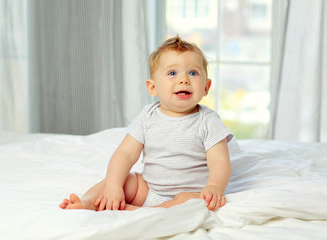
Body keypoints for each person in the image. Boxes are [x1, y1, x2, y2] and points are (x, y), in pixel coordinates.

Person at [59, 35, 233, 212]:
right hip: (149, 189)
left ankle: (138, 211)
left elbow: (220, 161)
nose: (184, 80)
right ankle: (87, 203)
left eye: (193, 73)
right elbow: (125, 154)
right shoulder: (148, 116)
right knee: (122, 179)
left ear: (206, 86)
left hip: (187, 193)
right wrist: (114, 186)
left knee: (192, 203)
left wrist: (214, 186)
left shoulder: (208, 120)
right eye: (172, 73)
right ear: (152, 87)